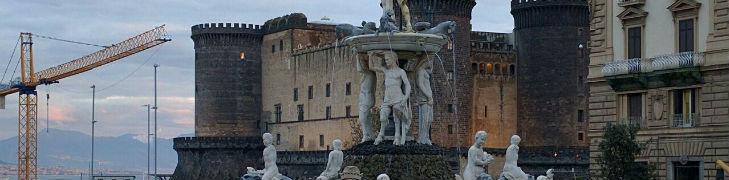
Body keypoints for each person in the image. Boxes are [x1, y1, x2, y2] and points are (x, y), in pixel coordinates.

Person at [370, 50, 412, 146]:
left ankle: (397, 136)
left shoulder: (401, 72)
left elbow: (408, 85)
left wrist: (405, 98)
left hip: (398, 97)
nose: (386, 61)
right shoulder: (386, 71)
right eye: (386, 60)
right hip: (387, 98)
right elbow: (371, 67)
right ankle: (381, 134)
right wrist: (371, 55)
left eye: (388, 59)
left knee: (396, 117)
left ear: (393, 59)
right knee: (383, 116)